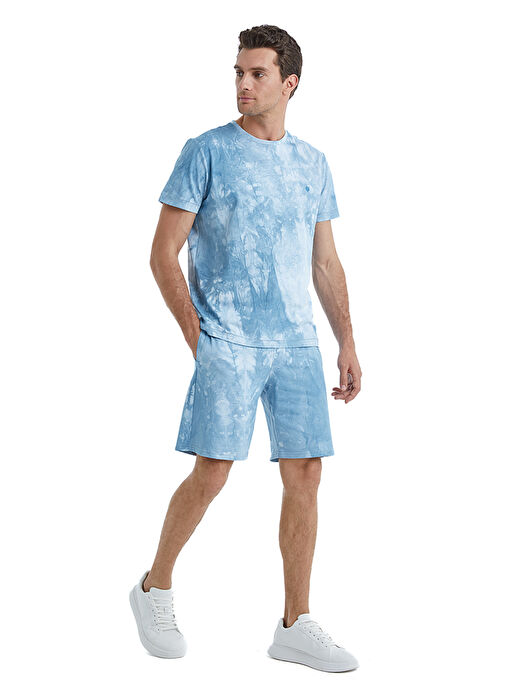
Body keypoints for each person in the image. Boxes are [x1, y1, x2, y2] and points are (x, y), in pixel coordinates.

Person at [129, 24, 362, 673]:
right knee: (213, 471)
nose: (243, 84)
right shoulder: (205, 151)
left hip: (296, 342)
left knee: (306, 473)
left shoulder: (313, 163)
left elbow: (324, 261)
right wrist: (197, 335)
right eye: (238, 72)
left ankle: (295, 623)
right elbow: (163, 253)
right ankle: (154, 587)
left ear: (290, 84)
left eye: (257, 73)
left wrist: (347, 339)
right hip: (227, 339)